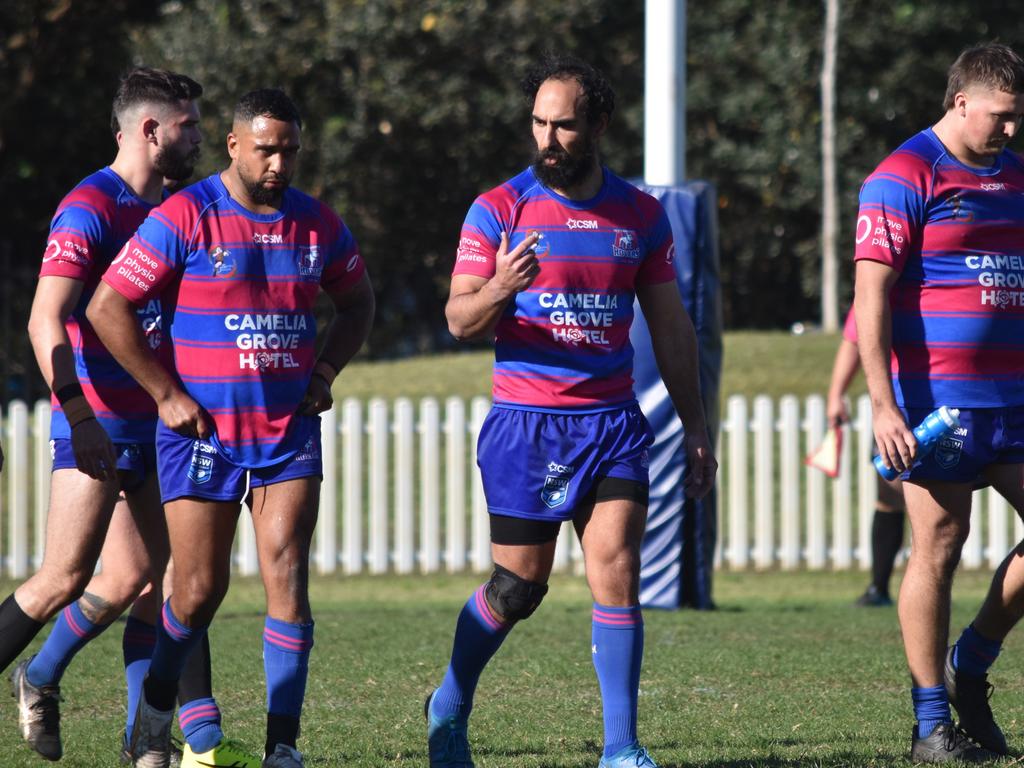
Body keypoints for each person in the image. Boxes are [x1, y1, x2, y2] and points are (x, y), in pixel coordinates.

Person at [427, 54, 717, 768]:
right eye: (539, 124)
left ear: (598, 126)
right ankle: (450, 701)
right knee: (518, 586)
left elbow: (673, 327)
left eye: (563, 125)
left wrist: (698, 428)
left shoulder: (640, 215)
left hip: (614, 423)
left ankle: (621, 747)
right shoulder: (499, 208)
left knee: (615, 568)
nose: (548, 138)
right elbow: (460, 320)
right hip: (528, 427)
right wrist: (500, 286)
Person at [88, 87, 375, 768]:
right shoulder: (188, 215)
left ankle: (284, 747)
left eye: (291, 150)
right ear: (235, 146)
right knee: (196, 588)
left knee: (288, 574)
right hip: (202, 437)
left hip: (288, 433)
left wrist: (325, 372)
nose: (279, 163)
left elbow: (358, 302)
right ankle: (157, 708)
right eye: (267, 148)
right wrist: (164, 393)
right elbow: (107, 307)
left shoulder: (318, 224)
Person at [0, 67, 239, 766]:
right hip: (98, 419)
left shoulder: (178, 206)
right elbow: (46, 318)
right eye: (189, 125)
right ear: (148, 129)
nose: (199, 137)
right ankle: (37, 677)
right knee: (62, 581)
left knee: (162, 584)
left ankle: (155, 748)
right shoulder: (90, 207)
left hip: (166, 423)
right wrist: (77, 413)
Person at [855, 42, 1024, 763]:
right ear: (962, 102)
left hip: (1014, 400)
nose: (1012, 130)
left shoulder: (1015, 176)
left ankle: (973, 661)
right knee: (940, 546)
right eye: (1003, 116)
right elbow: (869, 298)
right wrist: (882, 403)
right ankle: (931, 725)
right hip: (939, 401)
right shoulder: (903, 175)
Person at [826, 308, 905, 607]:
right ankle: (878, 587)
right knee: (889, 495)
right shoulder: (880, 285)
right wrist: (836, 394)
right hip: (898, 408)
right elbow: (855, 337)